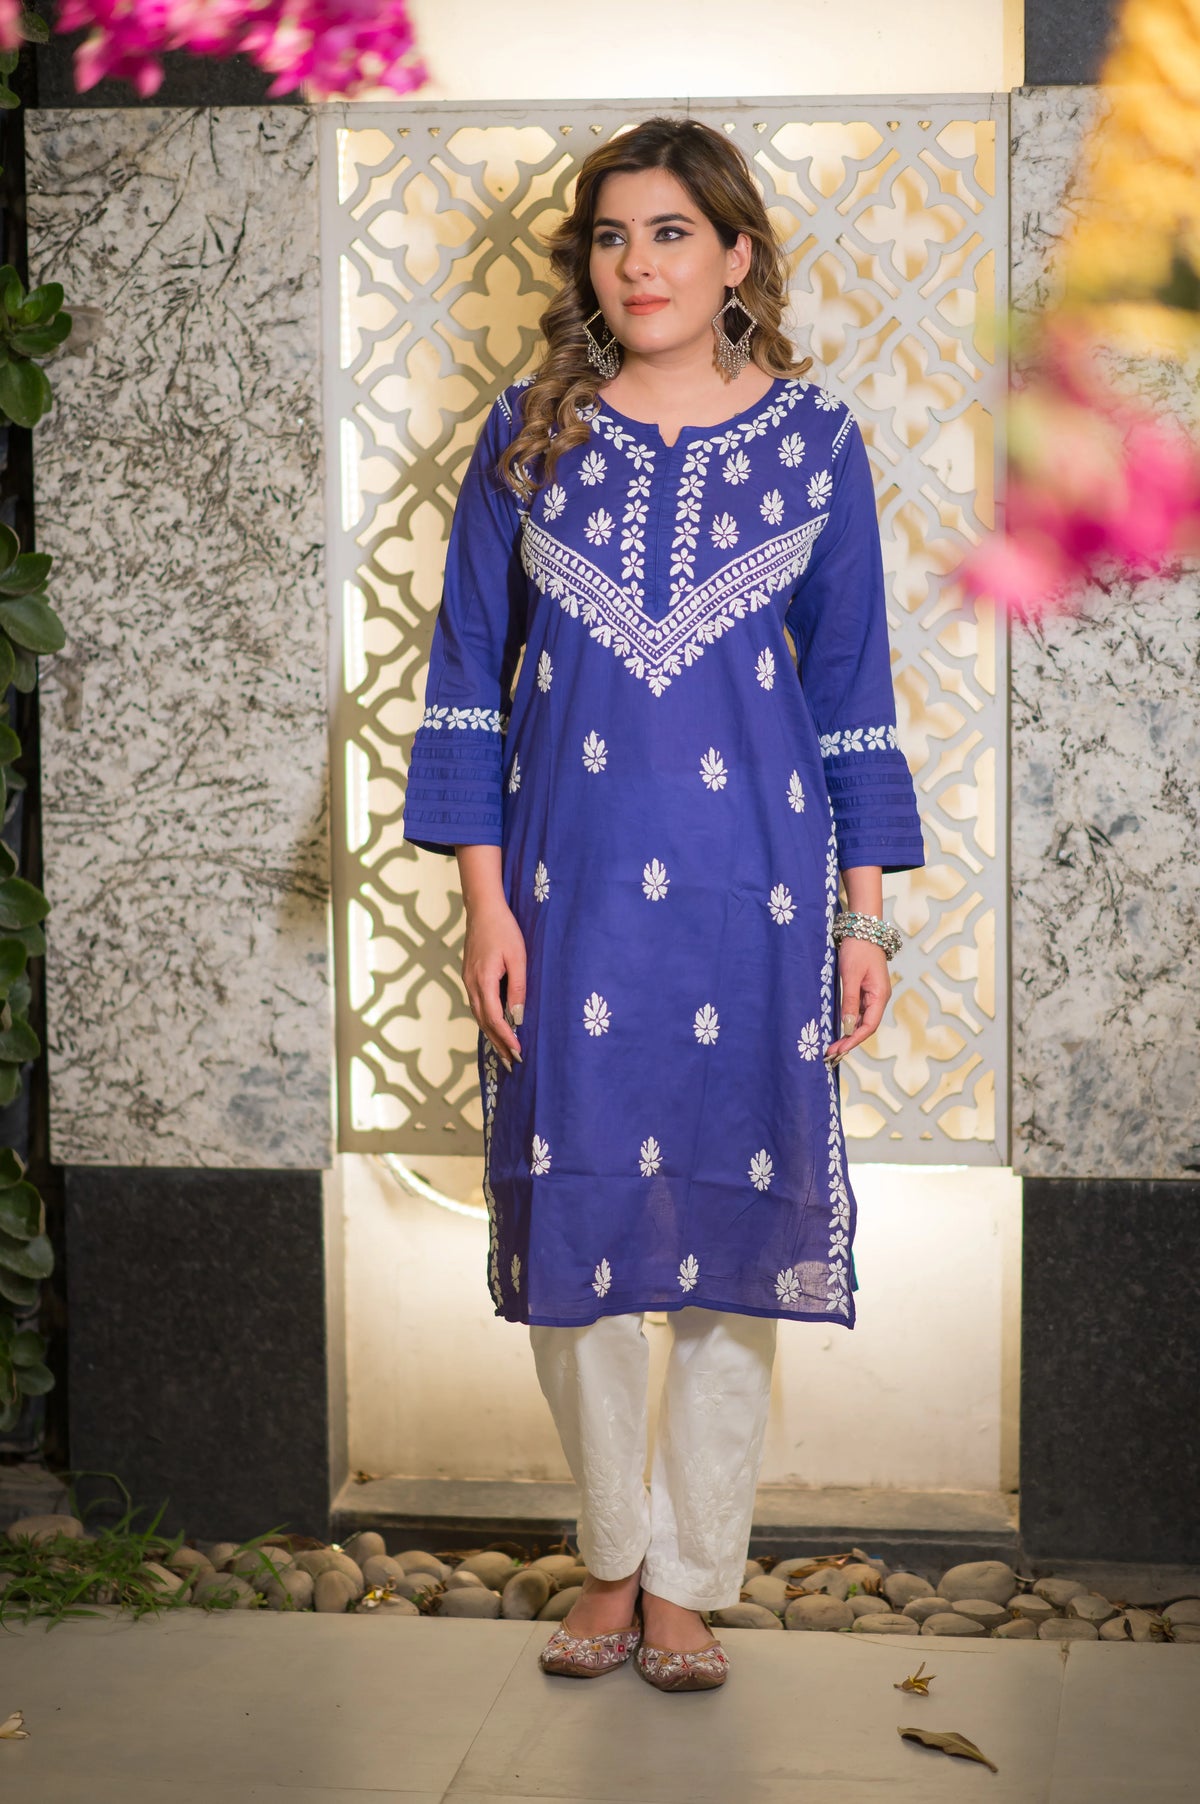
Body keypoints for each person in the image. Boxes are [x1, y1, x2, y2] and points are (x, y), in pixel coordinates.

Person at [401, 115, 925, 1692]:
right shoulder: (529, 436)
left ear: (737, 255)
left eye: (673, 234)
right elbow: (466, 695)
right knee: (577, 1226)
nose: (640, 264)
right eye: (614, 238)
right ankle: (611, 1557)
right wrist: (485, 908)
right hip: (563, 898)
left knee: (726, 1235)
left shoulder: (818, 445)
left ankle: (696, 1574)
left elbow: (851, 697)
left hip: (752, 902)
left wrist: (865, 914)